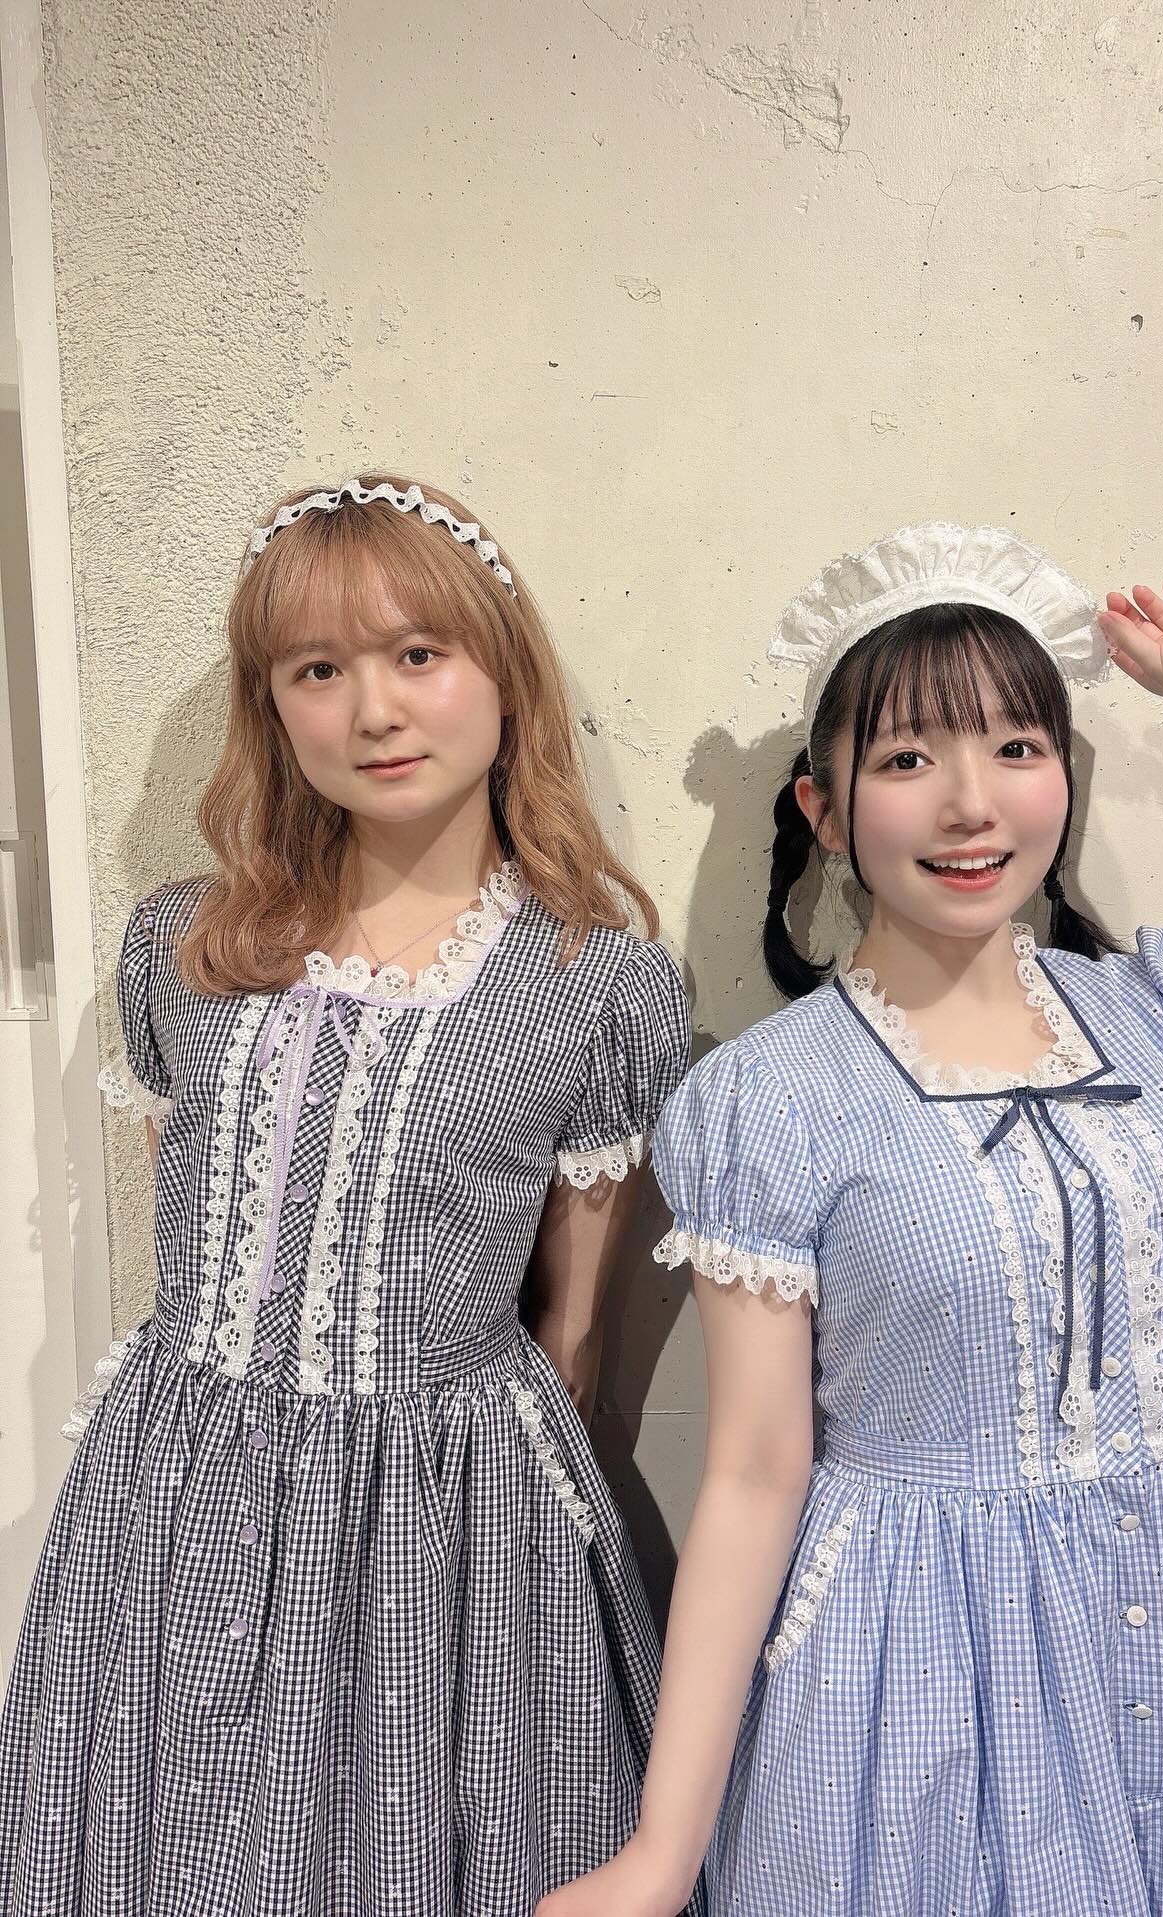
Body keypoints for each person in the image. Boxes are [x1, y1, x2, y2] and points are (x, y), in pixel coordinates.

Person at [543, 522, 1163, 1916]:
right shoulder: (771, 1099)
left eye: (1018, 748)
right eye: (909, 759)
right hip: (915, 1668)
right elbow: (757, 1473)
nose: (973, 805)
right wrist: (663, 1853)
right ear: (825, 809)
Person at [0, 475, 703, 1917]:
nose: (373, 710)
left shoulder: (596, 979)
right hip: (178, 1496)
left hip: (447, 1523)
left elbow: (577, 1329)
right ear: (271, 706)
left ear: (503, 672)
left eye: (417, 654)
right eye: (317, 670)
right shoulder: (188, 946)